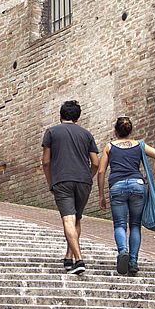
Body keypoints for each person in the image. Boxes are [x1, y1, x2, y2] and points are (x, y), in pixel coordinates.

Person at [97, 116, 155, 276]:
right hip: (137, 185)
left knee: (120, 224)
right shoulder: (140, 145)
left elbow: (101, 171)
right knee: (135, 225)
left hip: (117, 186)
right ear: (131, 131)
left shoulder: (109, 147)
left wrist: (101, 195)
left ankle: (122, 252)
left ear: (115, 131)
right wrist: (149, 176)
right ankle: (133, 261)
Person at [42, 100, 99, 274]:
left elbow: (45, 161)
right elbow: (95, 162)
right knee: (77, 219)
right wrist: (88, 177)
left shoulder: (51, 132)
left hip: (62, 180)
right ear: (78, 117)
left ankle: (79, 260)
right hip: (83, 180)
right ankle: (68, 257)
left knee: (68, 219)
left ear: (60, 115)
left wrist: (50, 181)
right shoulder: (86, 134)